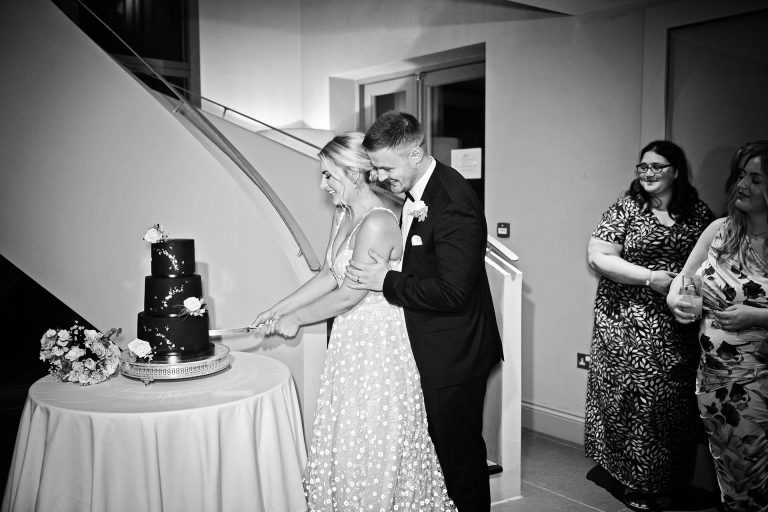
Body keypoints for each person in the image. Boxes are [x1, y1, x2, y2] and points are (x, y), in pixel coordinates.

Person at [251, 132, 456, 511]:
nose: (323, 184)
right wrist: (278, 309)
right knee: (346, 432)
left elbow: (350, 293)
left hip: (380, 345)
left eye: (329, 175)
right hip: (349, 340)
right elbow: (329, 275)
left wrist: (297, 319)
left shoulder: (378, 222)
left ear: (354, 173)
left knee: (375, 435)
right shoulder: (344, 214)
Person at [345, 110, 503, 511]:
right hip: (431, 346)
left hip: (455, 354)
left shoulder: (452, 202)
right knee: (438, 456)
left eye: (386, 167)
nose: (379, 176)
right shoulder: (419, 191)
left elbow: (453, 292)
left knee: (459, 460)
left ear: (415, 154)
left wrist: (386, 281)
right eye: (375, 167)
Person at [585, 140, 715, 512]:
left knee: (673, 403)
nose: (648, 173)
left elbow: (708, 262)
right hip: (626, 321)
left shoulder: (697, 213)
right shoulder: (627, 208)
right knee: (637, 400)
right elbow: (598, 256)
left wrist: (692, 300)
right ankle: (638, 482)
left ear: (676, 171)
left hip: (678, 324)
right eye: (643, 166)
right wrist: (649, 277)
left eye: (657, 166)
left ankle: (669, 479)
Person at [667, 141, 768, 512]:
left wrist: (756, 317)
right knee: (729, 468)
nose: (742, 184)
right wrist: (678, 302)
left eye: (755, 179)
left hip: (759, 377)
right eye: (741, 175)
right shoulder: (720, 230)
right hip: (713, 378)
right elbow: (685, 279)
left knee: (754, 475)